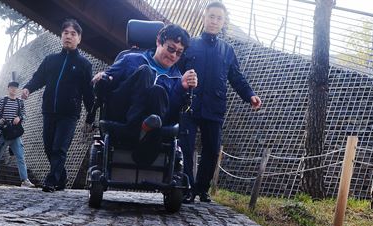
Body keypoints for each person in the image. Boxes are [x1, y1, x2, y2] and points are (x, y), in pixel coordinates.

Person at [178, 1, 262, 203]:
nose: (214, 21)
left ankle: (202, 189)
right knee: (186, 147)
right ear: (204, 18)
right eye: (211, 16)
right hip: (188, 104)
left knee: (213, 149)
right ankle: (186, 187)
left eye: (219, 18)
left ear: (223, 22)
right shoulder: (189, 45)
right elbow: (175, 70)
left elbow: (236, 77)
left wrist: (249, 94)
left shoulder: (227, 50)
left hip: (214, 106)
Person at [92, 24, 198, 165]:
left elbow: (169, 112)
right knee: (145, 71)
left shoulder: (177, 77)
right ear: (158, 41)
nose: (173, 55)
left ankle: (145, 143)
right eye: (171, 49)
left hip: (151, 123)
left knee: (158, 91)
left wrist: (181, 87)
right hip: (122, 111)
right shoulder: (130, 59)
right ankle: (138, 129)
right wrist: (102, 77)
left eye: (179, 53)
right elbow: (106, 79)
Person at [22, 18, 94, 192]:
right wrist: (28, 88)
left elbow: (88, 92)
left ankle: (51, 181)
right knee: (48, 147)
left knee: (59, 148)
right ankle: (61, 177)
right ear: (61, 36)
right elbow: (39, 78)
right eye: (65, 33)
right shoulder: (50, 60)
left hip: (69, 114)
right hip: (49, 111)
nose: (69, 36)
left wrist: (90, 116)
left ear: (79, 39)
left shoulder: (84, 65)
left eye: (73, 34)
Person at [0, 81, 34, 187]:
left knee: (20, 156)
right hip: (4, 133)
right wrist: (0, 119)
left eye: (15, 88)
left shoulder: (20, 102)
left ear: (17, 90)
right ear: (8, 88)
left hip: (15, 134)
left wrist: (19, 118)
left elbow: (24, 115)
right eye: (11, 87)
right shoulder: (2, 101)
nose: (13, 89)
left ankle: (24, 180)